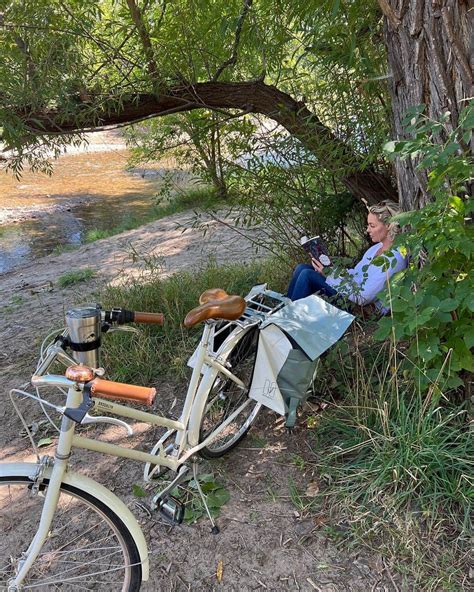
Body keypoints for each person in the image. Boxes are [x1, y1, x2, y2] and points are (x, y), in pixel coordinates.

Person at [286, 200, 407, 311]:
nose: (367, 230)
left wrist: (329, 275)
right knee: (302, 268)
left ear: (388, 225)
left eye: (372, 226)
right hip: (351, 290)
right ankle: (283, 309)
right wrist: (333, 270)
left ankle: (287, 321)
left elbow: (363, 298)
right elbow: (357, 273)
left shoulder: (394, 259)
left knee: (308, 275)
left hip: (361, 308)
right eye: (368, 225)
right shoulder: (376, 248)